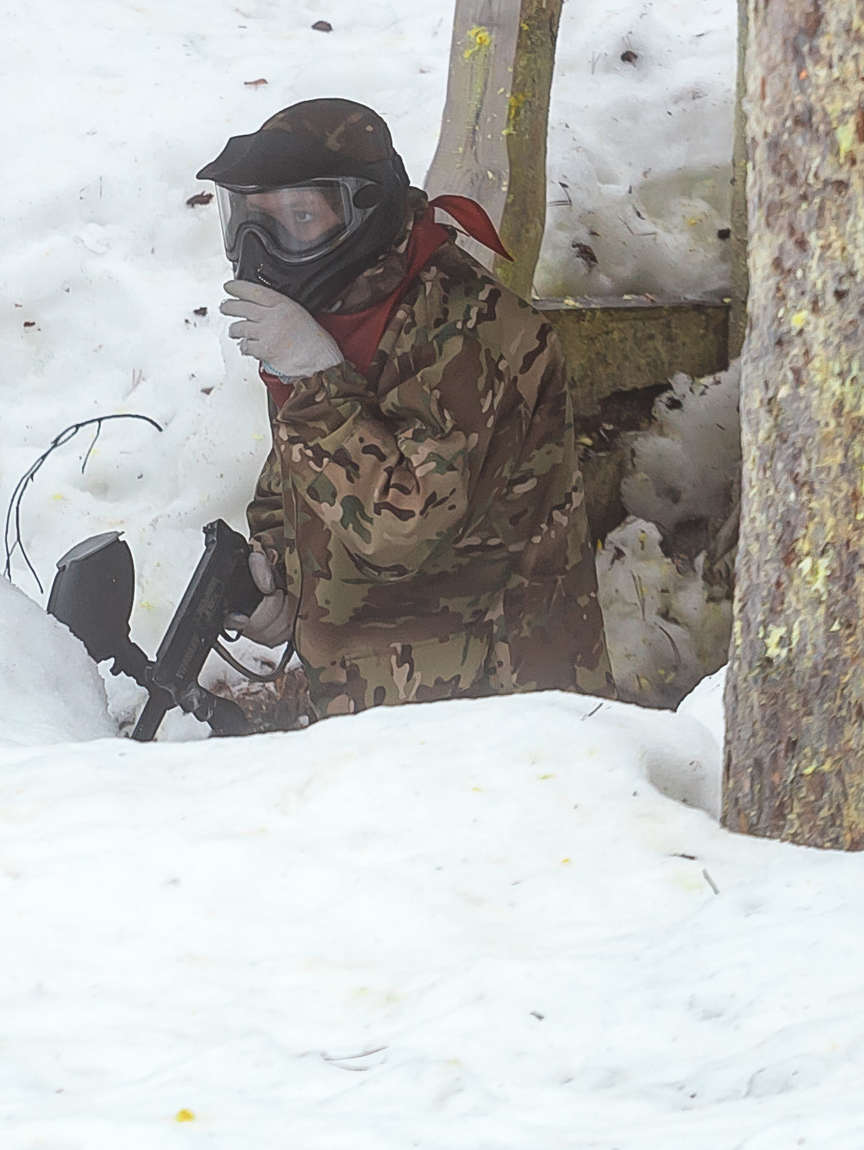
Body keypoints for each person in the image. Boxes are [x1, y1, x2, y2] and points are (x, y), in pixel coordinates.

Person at [201, 97, 609, 716]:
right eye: (248, 221)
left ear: (365, 209)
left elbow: (404, 527)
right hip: (385, 712)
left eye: (301, 216)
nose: (263, 247)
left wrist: (316, 386)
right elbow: (301, 481)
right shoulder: (348, 313)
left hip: (503, 712)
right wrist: (280, 578)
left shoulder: (467, 330)